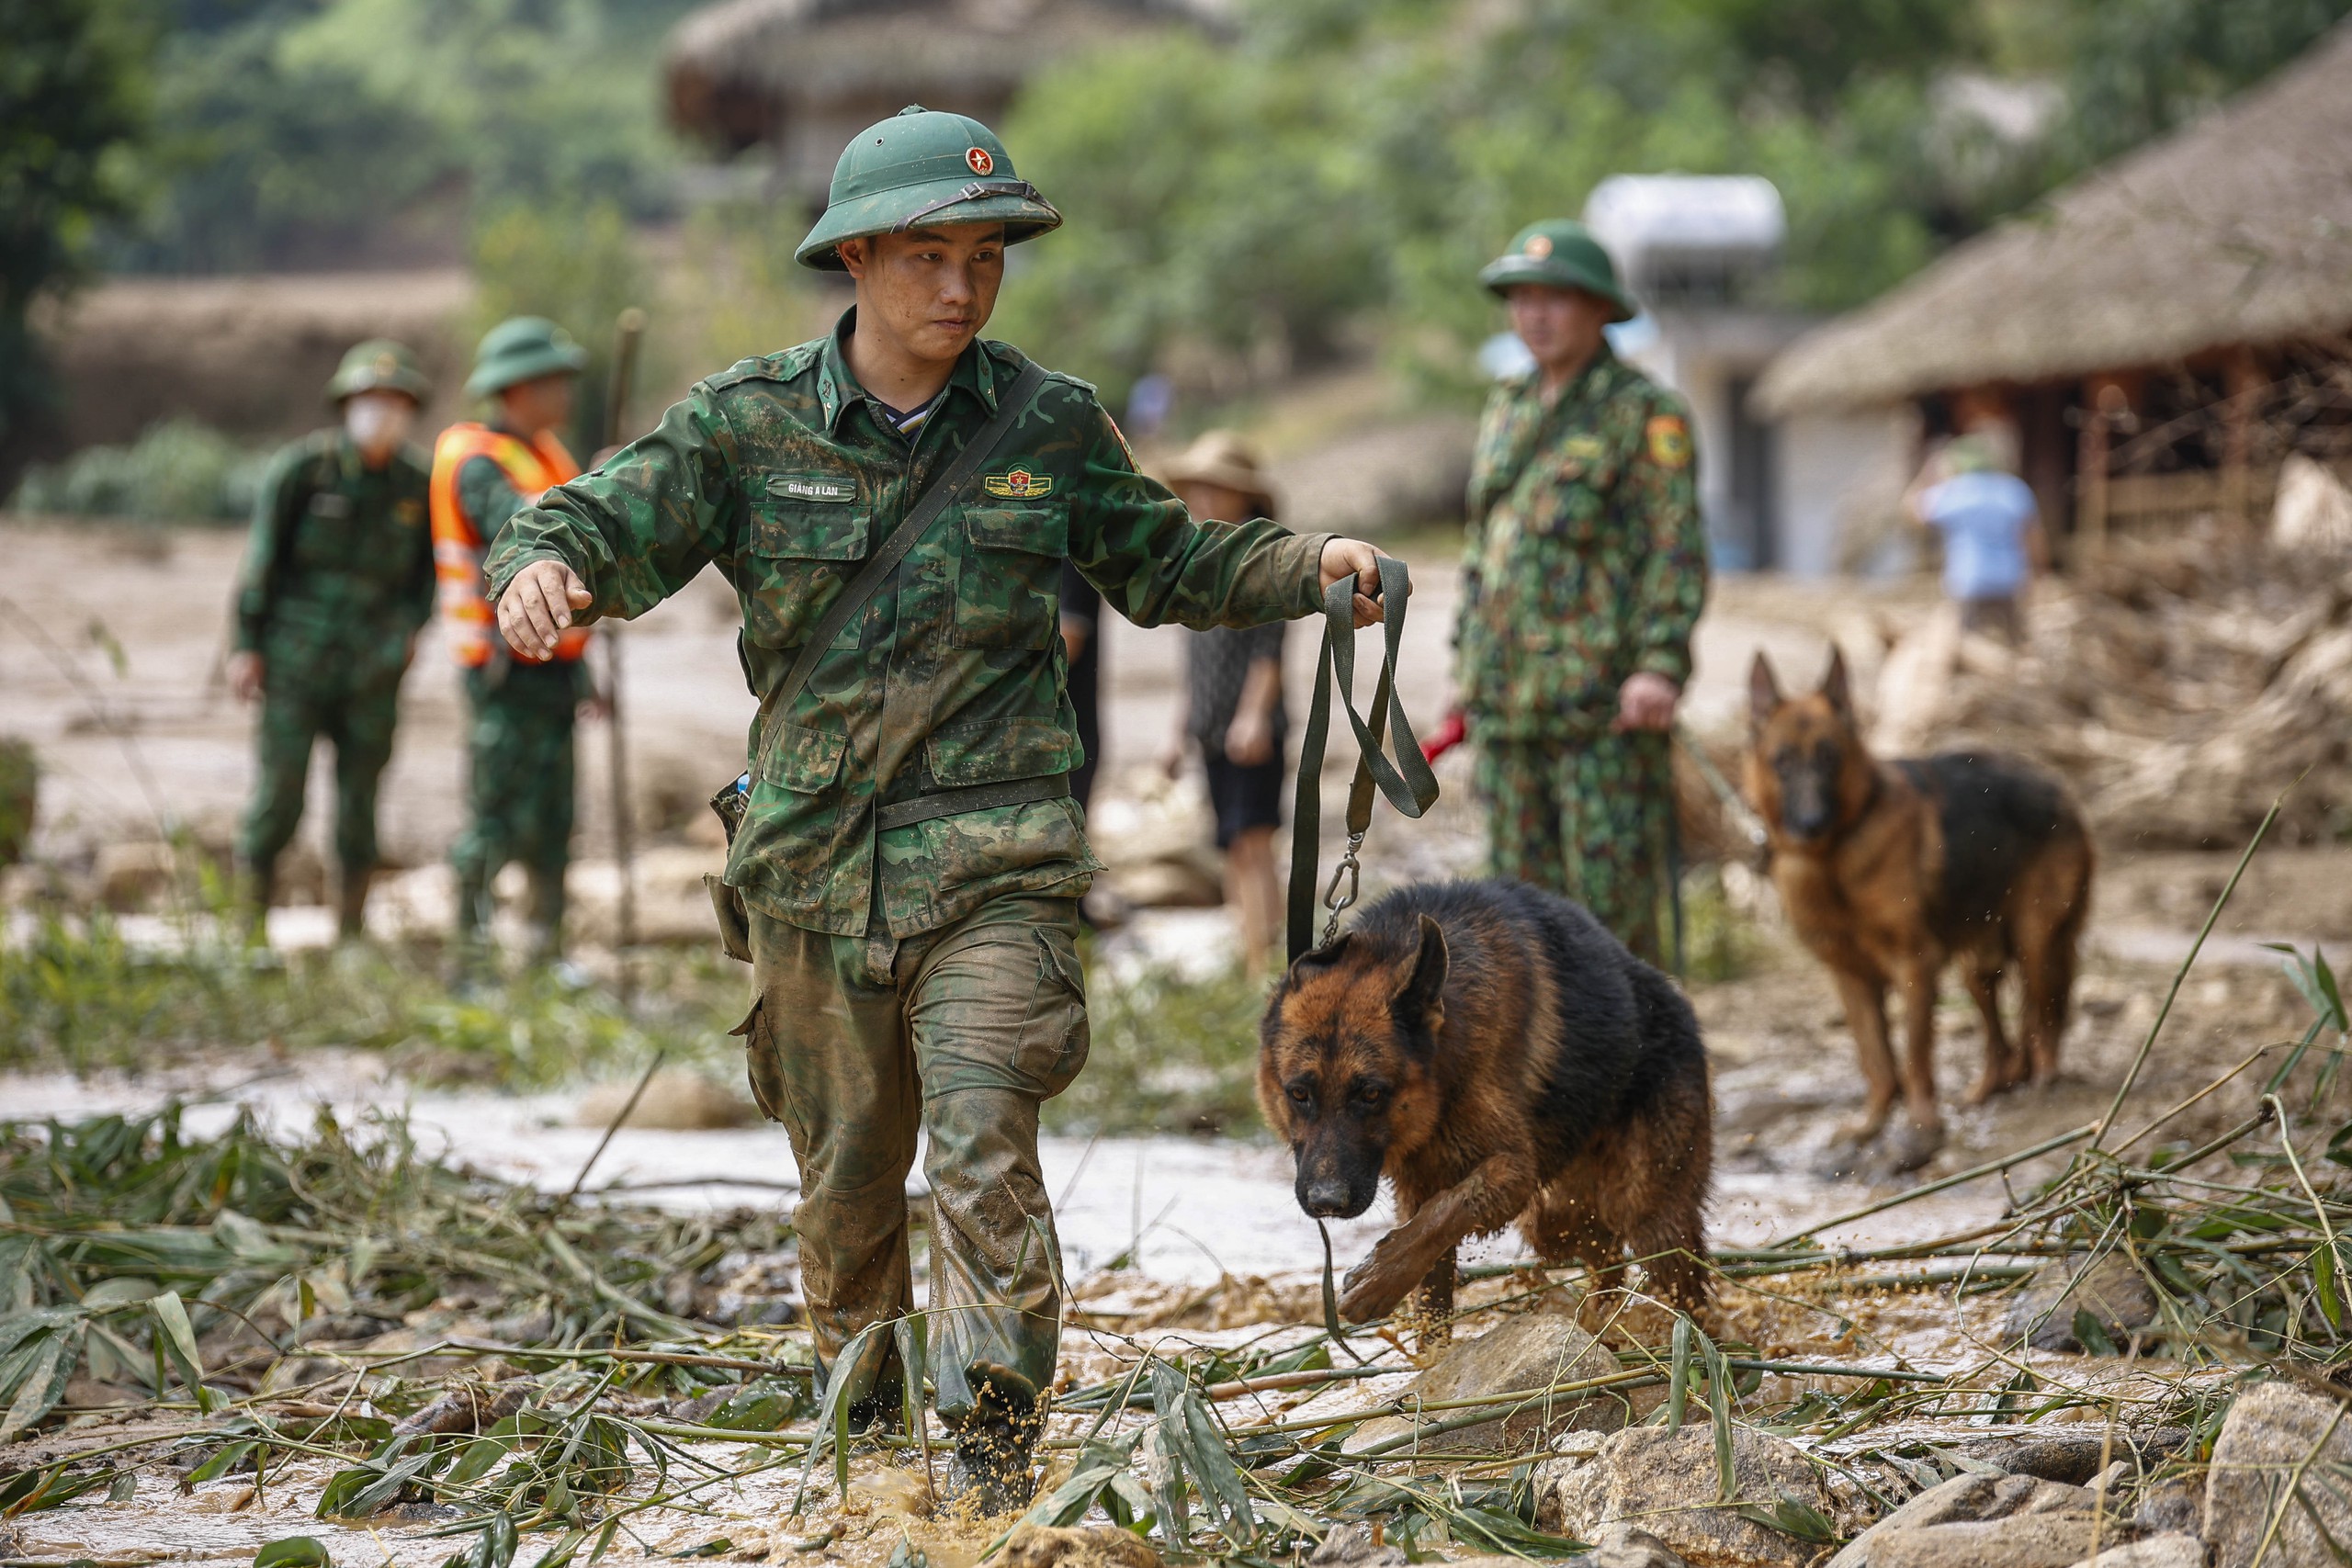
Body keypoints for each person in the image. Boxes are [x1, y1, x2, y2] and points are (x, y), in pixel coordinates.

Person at [481, 105, 1392, 1511]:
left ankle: (986, 1466)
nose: (961, 287)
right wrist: (541, 567)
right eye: (926, 256)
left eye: (985, 256)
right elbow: (602, 518)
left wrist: (1306, 565)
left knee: (984, 1156)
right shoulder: (747, 422)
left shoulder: (1048, 421)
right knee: (847, 1189)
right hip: (810, 872)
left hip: (1001, 868)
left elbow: (1168, 561)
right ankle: (870, 1457)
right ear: (853, 257)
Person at [1455, 220, 1707, 968]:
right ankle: (1548, 1084)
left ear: (1600, 308)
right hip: (1507, 714)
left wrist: (1659, 663)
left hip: (1602, 714)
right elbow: (1483, 554)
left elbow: (1675, 547)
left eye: (1556, 298)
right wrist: (1465, 677)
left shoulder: (1642, 412)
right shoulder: (1506, 406)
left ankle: (1638, 1082)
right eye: (1522, 298)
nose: (1535, 315)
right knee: (1515, 930)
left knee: (1609, 926)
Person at [230, 339, 435, 940]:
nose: (383, 411)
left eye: (396, 401)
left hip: (371, 673)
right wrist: (247, 645)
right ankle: (247, 930)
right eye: (371, 399)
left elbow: (430, 574)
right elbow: (262, 563)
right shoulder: (302, 472)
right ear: (346, 403)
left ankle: (349, 932)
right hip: (295, 664)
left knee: (359, 805)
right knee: (279, 797)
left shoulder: (419, 486)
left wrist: (407, 633)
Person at [429, 316, 597, 961]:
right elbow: (522, 526)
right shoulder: (476, 460)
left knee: (555, 819)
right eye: (556, 380)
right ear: (519, 388)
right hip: (503, 675)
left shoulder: (549, 455)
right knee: (494, 816)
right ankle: (470, 954)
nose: (567, 394)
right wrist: (601, 498)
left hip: (553, 673)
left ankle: (545, 952)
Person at [1157, 431, 1287, 975]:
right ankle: (1256, 951)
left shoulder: (1265, 559)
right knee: (1231, 844)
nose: (1206, 498)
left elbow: (1268, 653)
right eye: (1199, 488)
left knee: (1252, 845)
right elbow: (1194, 666)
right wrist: (1177, 731)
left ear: (1246, 496)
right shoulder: (1199, 562)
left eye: (1218, 488)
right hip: (1212, 730)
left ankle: (1266, 961)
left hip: (1250, 733)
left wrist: (1254, 718)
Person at [1905, 434, 2045, 644]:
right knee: (2017, 642)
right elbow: (2034, 538)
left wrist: (1928, 473)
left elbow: (1912, 511)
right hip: (2010, 580)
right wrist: (2039, 573)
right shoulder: (2013, 489)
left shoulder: (1955, 491)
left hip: (1969, 581)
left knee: (1968, 643)